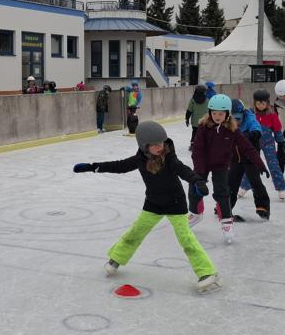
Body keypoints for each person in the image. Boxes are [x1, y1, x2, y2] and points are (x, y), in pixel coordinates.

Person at [73, 120, 221, 294]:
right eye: (155, 145)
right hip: (153, 203)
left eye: (161, 143)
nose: (160, 147)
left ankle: (207, 272)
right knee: (135, 232)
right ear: (144, 146)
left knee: (186, 239)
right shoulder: (140, 159)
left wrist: (197, 181)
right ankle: (116, 258)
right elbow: (119, 166)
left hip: (175, 203)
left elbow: (183, 170)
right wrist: (93, 167)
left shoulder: (169, 158)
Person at [190, 94, 266, 244]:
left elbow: (247, 147)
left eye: (221, 114)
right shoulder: (204, 127)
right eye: (214, 113)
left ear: (227, 114)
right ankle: (196, 213)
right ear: (209, 112)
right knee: (194, 187)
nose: (217, 117)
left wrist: (260, 164)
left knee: (223, 192)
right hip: (203, 162)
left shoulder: (232, 129)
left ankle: (226, 222)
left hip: (221, 164)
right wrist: (200, 173)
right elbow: (197, 149)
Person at [243, 88, 285, 201]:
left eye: (263, 104)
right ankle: (244, 186)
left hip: (268, 143)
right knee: (251, 164)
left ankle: (281, 187)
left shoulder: (272, 113)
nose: (260, 106)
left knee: (273, 165)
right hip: (254, 143)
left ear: (267, 103)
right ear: (255, 103)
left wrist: (281, 143)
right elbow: (245, 127)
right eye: (258, 104)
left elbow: (277, 129)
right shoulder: (250, 113)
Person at [229, 98, 271, 220]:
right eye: (233, 119)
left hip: (250, 158)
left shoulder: (250, 118)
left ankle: (263, 206)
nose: (236, 122)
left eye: (238, 118)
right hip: (235, 158)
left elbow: (257, 128)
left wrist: (252, 134)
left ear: (243, 114)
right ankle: (225, 206)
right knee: (231, 183)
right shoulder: (226, 122)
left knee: (255, 181)